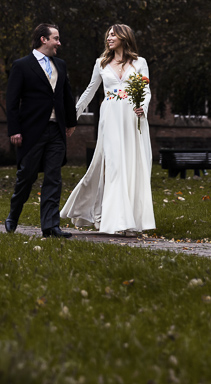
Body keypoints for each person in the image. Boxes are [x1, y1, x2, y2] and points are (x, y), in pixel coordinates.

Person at [61, 24, 155, 236]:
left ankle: (130, 221)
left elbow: (146, 90)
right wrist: (72, 118)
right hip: (111, 118)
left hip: (133, 118)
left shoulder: (140, 63)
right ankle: (116, 221)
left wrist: (143, 107)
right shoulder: (101, 63)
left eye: (113, 35)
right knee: (114, 166)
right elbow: (89, 92)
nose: (109, 38)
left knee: (132, 167)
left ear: (124, 37)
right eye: (108, 35)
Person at [5, 23, 77, 238]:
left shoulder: (60, 65)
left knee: (54, 178)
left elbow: (66, 95)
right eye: (56, 38)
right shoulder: (22, 66)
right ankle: (13, 216)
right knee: (26, 177)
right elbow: (11, 101)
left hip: (56, 131)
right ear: (43, 39)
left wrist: (71, 122)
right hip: (31, 132)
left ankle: (50, 226)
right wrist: (14, 130)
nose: (59, 43)